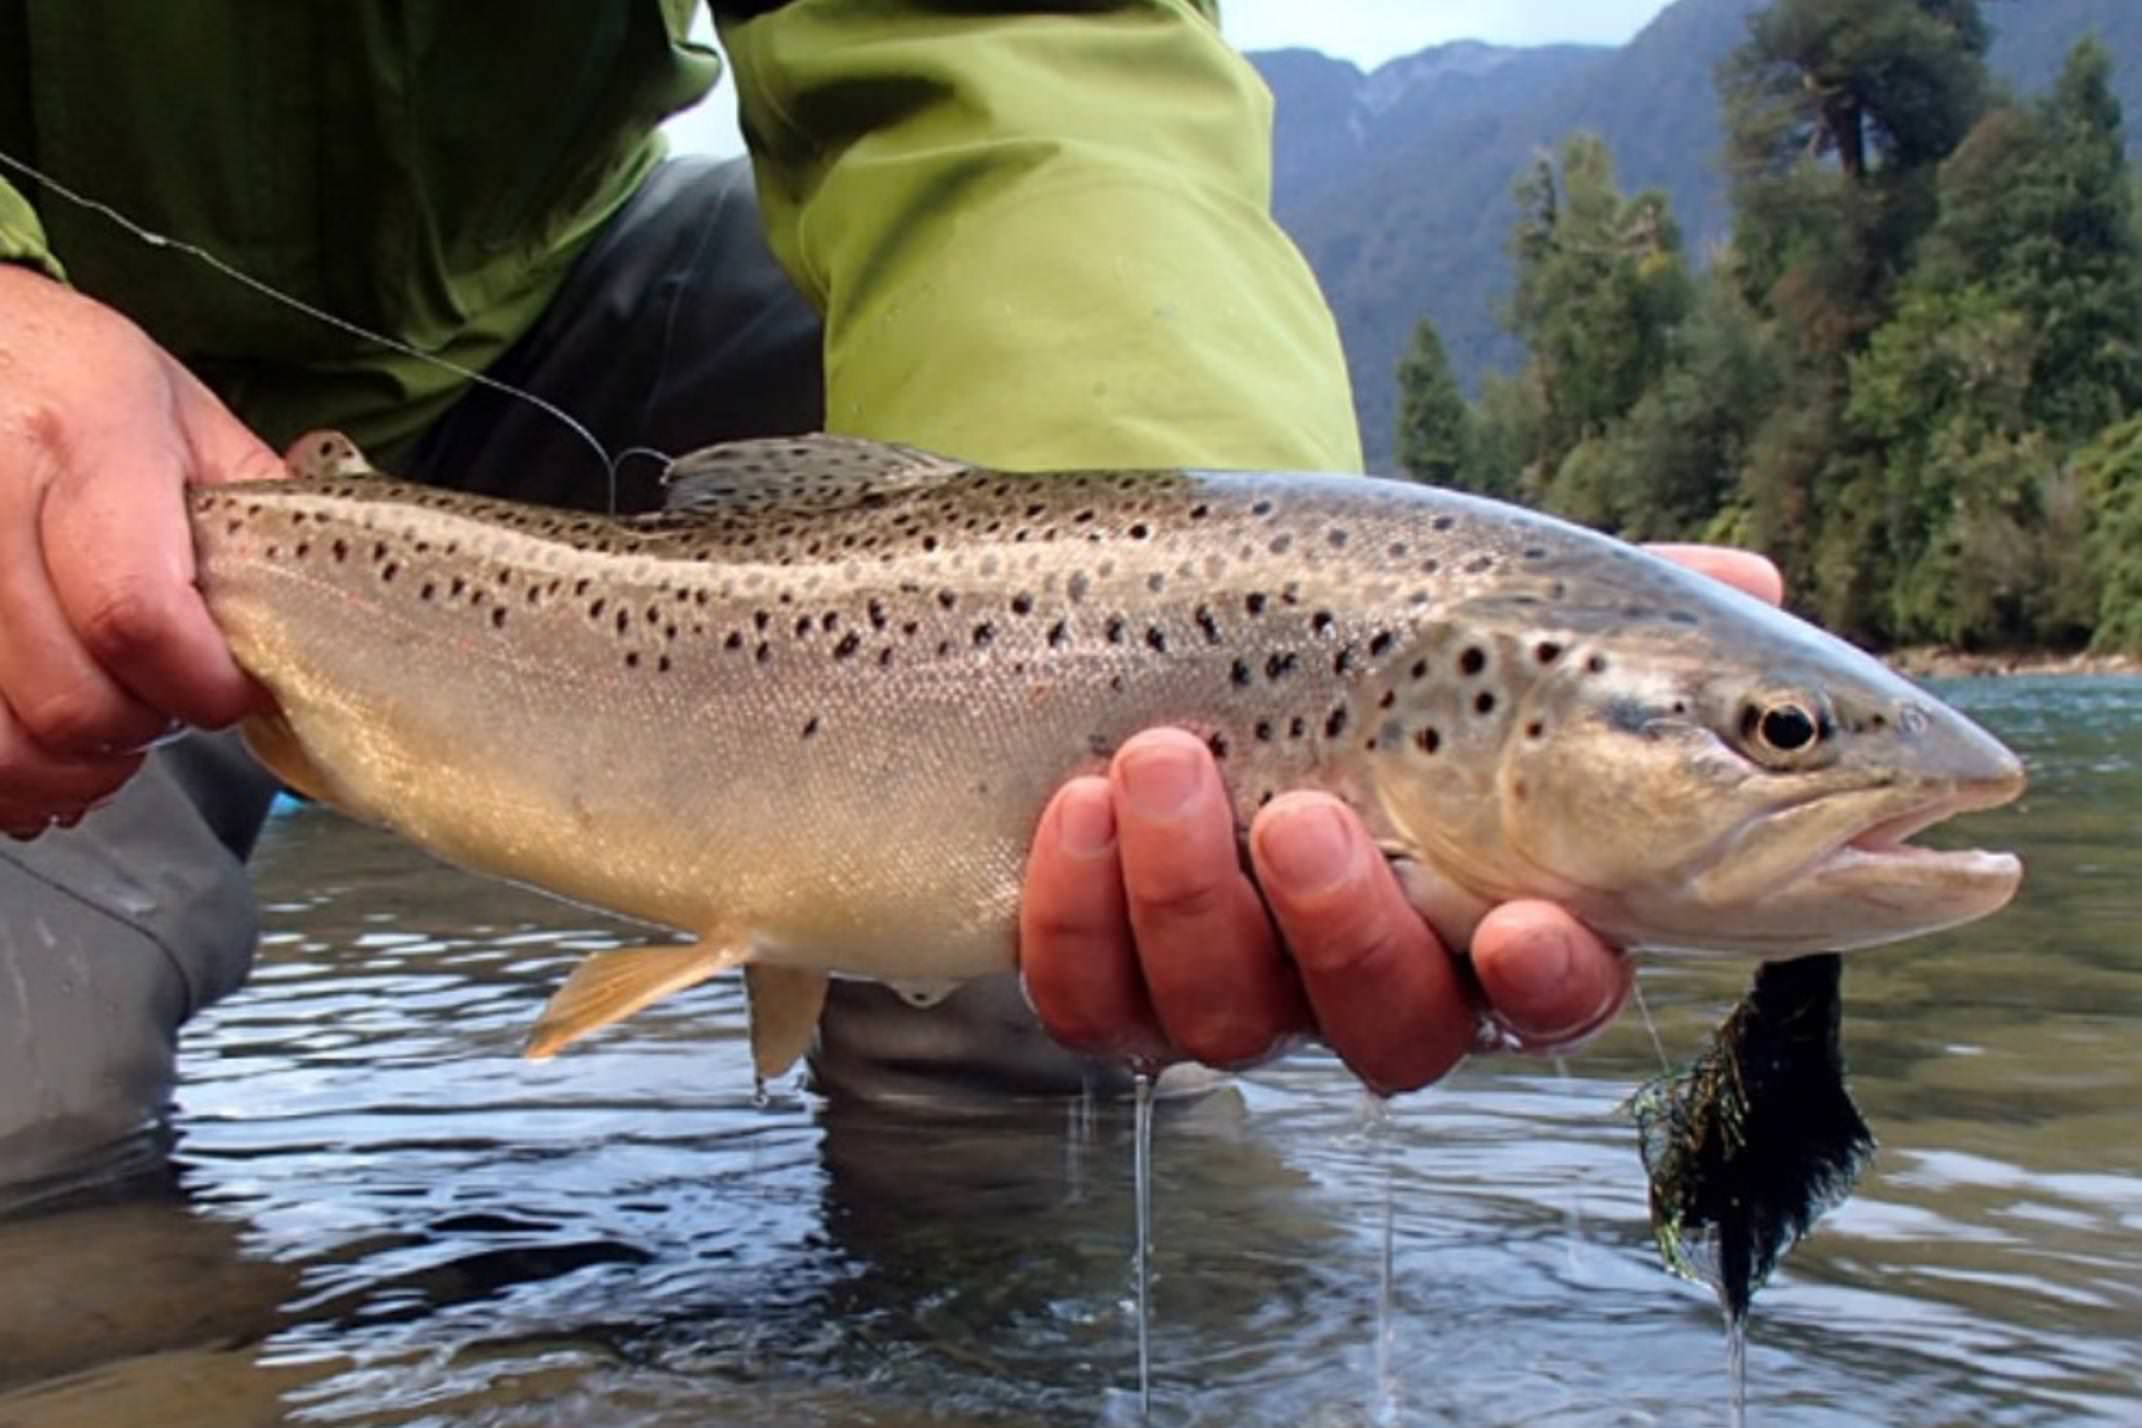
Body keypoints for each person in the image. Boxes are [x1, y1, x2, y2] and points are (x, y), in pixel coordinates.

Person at [0, 3, 1781, 1195]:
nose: (1784, 758)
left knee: (1120, 754)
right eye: (1771, 735)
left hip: (540, 322)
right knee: (30, 1137)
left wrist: (1193, 544)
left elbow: (1006, 48)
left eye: (1777, 730)